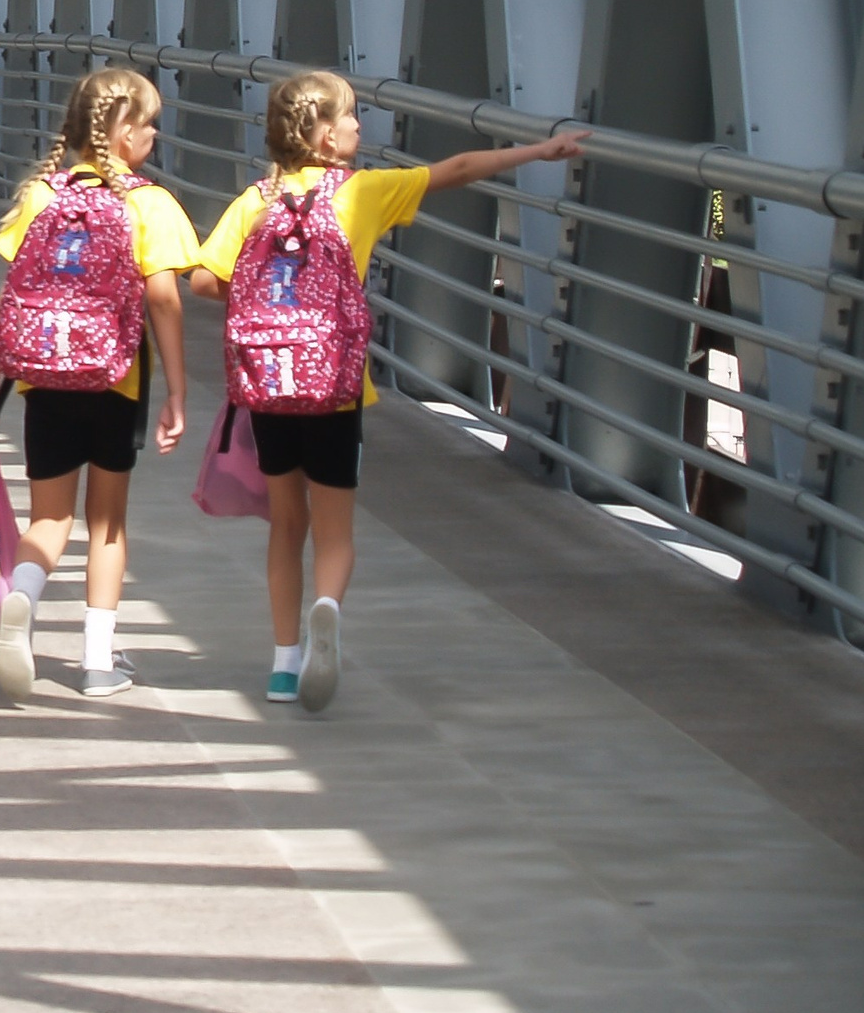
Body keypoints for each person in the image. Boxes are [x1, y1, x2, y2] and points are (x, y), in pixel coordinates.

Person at [190, 71, 587, 712]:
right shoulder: (364, 192)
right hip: (336, 390)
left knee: (286, 525)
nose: (359, 125)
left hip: (270, 388)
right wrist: (539, 150)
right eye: (351, 116)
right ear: (325, 136)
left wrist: (271, 305)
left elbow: (204, 283)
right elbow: (458, 169)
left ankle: (284, 665)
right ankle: (327, 607)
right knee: (335, 530)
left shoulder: (255, 200)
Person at [0, 67, 197, 702]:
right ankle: (98, 662)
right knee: (107, 524)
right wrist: (178, 390)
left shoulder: (43, 196)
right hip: (114, 383)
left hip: (42, 381)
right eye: (149, 124)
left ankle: (23, 596)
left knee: (48, 518)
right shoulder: (149, 203)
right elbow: (165, 301)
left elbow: (13, 294)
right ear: (123, 133)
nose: (154, 135)